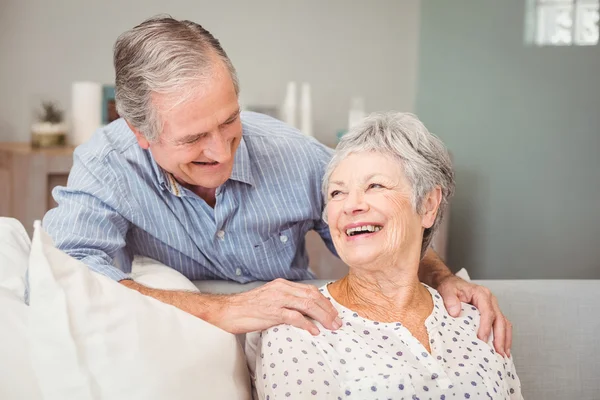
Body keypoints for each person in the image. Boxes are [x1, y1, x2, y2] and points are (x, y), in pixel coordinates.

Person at [43, 16, 510, 352]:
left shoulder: (292, 154)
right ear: (139, 134)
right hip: (178, 340)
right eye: (194, 139)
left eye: (229, 121)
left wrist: (442, 277)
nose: (222, 152)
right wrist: (220, 309)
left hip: (295, 336)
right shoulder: (104, 166)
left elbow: (379, 231)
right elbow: (66, 279)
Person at [250, 112, 522, 399]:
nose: (351, 205)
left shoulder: (476, 321)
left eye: (375, 186)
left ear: (428, 205)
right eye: (337, 193)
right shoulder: (298, 330)